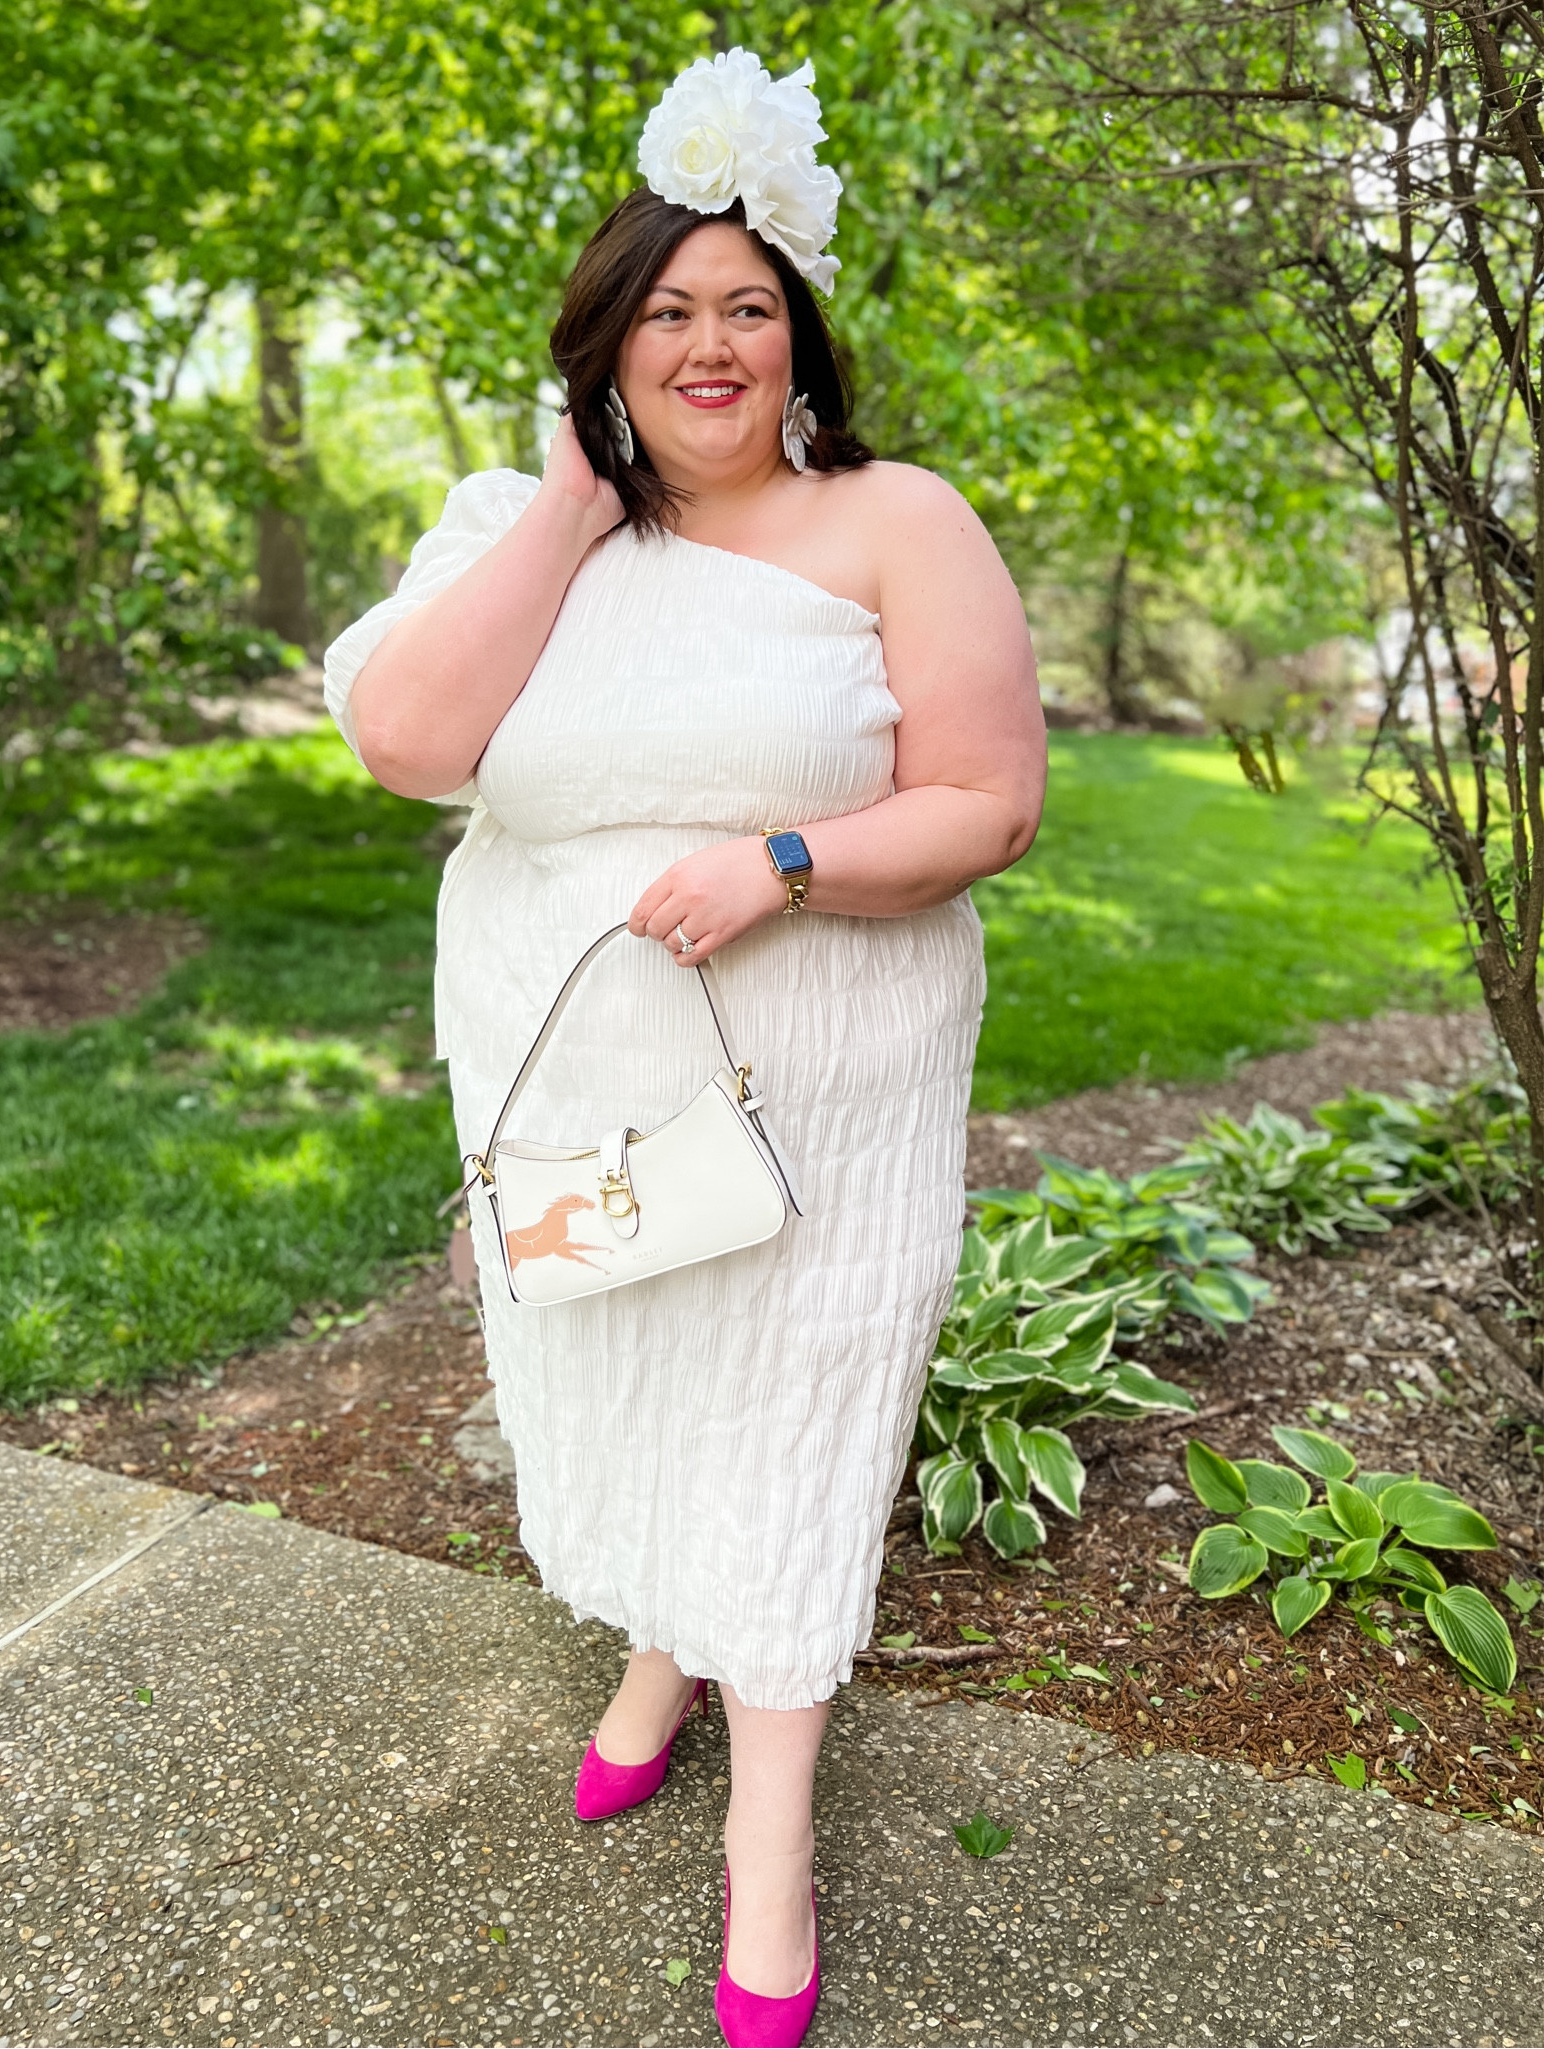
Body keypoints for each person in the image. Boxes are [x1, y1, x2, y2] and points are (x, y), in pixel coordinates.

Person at [324, 48, 1044, 2049]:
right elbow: (407, 744)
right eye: (665, 308)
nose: (710, 341)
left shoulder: (895, 518)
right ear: (604, 343)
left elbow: (988, 799)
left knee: (792, 1419)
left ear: (797, 338)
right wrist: (570, 494)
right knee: (633, 1377)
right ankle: (662, 1649)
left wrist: (787, 863)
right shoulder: (517, 522)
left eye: (748, 306)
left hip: (825, 1073)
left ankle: (774, 1837)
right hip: (578, 1077)